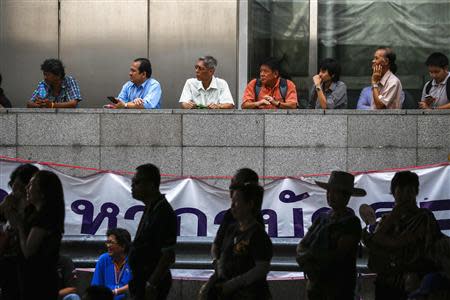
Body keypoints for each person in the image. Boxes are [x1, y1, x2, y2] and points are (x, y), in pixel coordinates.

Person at [362, 171, 442, 300]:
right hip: (386, 285)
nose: (405, 195)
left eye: (409, 190)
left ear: (415, 193)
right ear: (394, 193)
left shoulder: (424, 217)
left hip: (414, 285)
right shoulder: (385, 219)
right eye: (400, 189)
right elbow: (375, 243)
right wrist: (393, 216)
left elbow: (430, 252)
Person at [296, 171, 366, 300]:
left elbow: (338, 256)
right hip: (316, 286)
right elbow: (303, 244)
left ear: (346, 197)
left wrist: (309, 260)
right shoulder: (322, 218)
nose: (330, 195)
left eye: (335, 192)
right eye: (329, 191)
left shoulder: (351, 222)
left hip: (338, 287)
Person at [201, 183, 273, 300]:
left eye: (236, 202)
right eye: (232, 201)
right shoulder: (231, 229)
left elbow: (261, 269)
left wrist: (233, 284)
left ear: (250, 204)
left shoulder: (258, 236)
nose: (232, 206)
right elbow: (222, 256)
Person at [4, 170, 65, 300]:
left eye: (31, 185)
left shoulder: (46, 217)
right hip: (27, 277)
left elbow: (28, 251)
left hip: (39, 280)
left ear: (43, 192)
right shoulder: (33, 214)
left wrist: (20, 226)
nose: (27, 188)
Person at [128, 164, 177, 300]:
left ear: (150, 185)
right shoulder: (151, 208)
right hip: (141, 279)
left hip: (151, 283)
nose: (132, 186)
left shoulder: (163, 212)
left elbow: (168, 255)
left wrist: (151, 284)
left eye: (137, 182)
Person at [0, 164, 39, 300]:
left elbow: (30, 251)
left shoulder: (39, 214)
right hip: (9, 272)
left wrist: (18, 224)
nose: (14, 193)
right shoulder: (11, 207)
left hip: (30, 275)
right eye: (13, 187)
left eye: (18, 188)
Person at [91, 228, 132, 300]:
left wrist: (116, 292)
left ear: (123, 246)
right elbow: (96, 286)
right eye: (107, 242)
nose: (108, 246)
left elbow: (136, 285)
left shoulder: (133, 261)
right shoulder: (103, 259)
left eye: (111, 242)